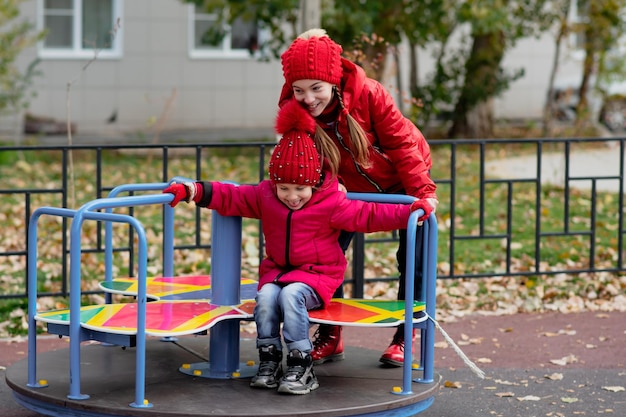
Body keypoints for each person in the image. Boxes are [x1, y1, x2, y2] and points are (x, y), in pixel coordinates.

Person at [163, 99, 423, 395]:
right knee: (266, 296)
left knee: (291, 296)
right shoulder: (266, 196)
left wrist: (412, 211)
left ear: (313, 184)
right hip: (278, 273)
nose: (291, 196)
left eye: (300, 189)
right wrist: (191, 190)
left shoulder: (331, 203)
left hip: (317, 277)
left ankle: (301, 364)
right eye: (283, 188)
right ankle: (270, 358)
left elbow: (370, 214)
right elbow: (230, 195)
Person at [279, 28, 438, 367]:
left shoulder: (370, 94)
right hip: (347, 191)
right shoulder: (299, 113)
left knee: (414, 255)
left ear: (334, 82)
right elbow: (306, 163)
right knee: (322, 256)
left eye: (316, 88)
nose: (308, 98)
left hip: (400, 183)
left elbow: (401, 145)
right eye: (299, 90)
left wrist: (422, 194)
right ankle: (330, 332)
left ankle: (406, 332)